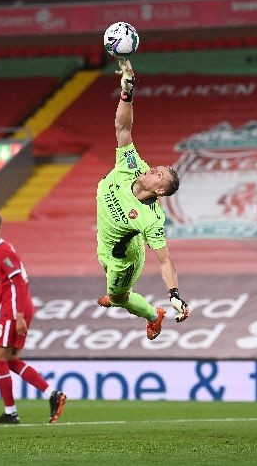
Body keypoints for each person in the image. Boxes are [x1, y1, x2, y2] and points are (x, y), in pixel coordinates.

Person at [95, 58, 191, 340]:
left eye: (158, 174)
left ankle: (153, 315)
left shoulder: (151, 218)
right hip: (107, 236)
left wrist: (174, 295)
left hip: (124, 256)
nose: (153, 168)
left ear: (160, 190)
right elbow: (123, 129)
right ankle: (114, 290)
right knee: (104, 265)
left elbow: (164, 261)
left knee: (120, 296)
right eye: (157, 167)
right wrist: (127, 89)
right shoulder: (131, 163)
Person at [0, 212, 67, 424]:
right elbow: (2, 284)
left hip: (15, 309)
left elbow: (19, 281)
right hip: (16, 308)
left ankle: (11, 413)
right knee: (10, 360)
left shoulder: (1, 252)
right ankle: (52, 394)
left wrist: (18, 315)